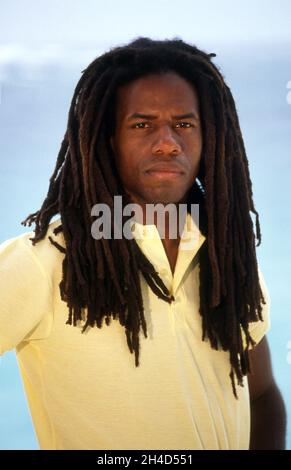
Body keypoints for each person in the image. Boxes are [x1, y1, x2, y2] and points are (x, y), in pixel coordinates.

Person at [0, 37, 286, 450]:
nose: (167, 142)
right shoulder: (45, 262)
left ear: (210, 140)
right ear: (108, 140)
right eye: (142, 124)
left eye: (184, 124)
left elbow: (262, 395)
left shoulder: (230, 260)